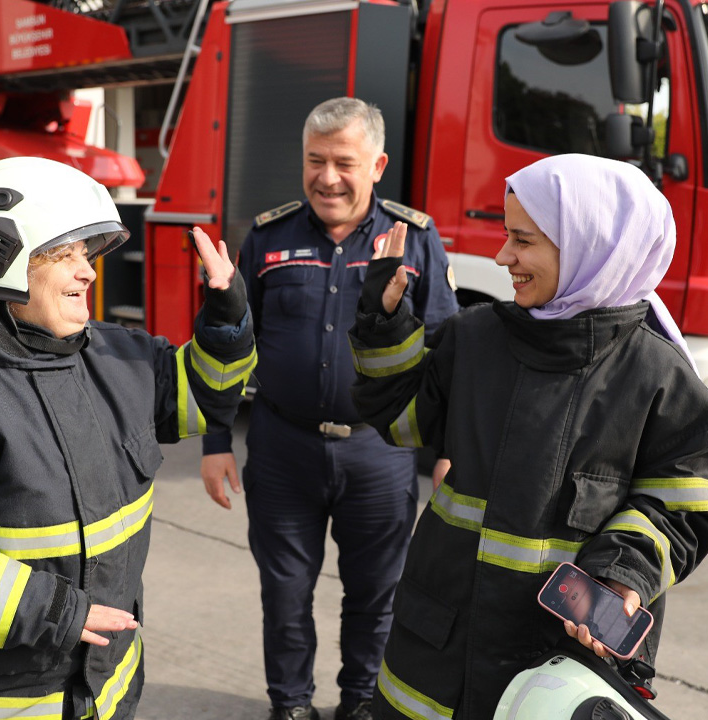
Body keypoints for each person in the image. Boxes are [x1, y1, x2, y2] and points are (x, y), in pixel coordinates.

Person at [348, 153, 708, 720]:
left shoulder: (658, 377)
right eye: (505, 235)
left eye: (523, 240)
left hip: (558, 668)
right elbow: (402, 421)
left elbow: (682, 508)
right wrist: (384, 326)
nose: (502, 256)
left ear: (590, 246)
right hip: (435, 657)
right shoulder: (474, 338)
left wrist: (622, 575)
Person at [0, 157, 255, 720]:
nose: (88, 273)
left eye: (86, 256)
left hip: (103, 691)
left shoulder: (120, 358)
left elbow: (204, 397)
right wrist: (57, 612)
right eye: (65, 256)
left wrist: (227, 310)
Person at [200, 97, 459, 720]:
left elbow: (449, 356)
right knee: (285, 595)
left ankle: (361, 703)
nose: (327, 177)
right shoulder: (267, 236)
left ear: (377, 165)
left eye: (344, 162)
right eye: (315, 160)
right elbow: (226, 339)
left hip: (380, 453)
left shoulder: (416, 241)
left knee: (376, 596)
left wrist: (451, 449)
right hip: (282, 449)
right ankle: (290, 705)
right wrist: (213, 442)